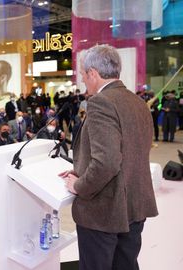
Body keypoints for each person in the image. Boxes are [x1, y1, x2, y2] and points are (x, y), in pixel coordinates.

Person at [60, 44, 158, 270]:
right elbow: (132, 152)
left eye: (84, 75)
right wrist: (81, 169)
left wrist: (80, 185)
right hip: (134, 205)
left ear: (93, 73)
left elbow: (107, 162)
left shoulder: (101, 102)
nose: (83, 81)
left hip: (104, 211)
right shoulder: (138, 102)